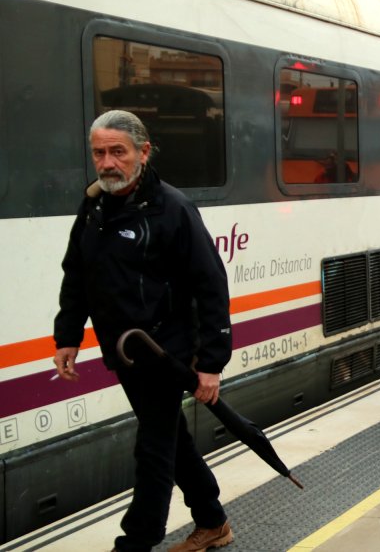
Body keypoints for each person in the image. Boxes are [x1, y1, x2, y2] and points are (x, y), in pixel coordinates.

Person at [53, 110, 234, 552]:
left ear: (143, 152)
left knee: (152, 447)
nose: (108, 162)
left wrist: (210, 363)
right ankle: (212, 521)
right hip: (125, 351)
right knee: (171, 437)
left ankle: (136, 542)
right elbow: (77, 272)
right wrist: (68, 335)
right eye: (100, 153)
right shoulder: (95, 206)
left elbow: (210, 285)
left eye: (118, 152)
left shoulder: (172, 208)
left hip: (164, 349)